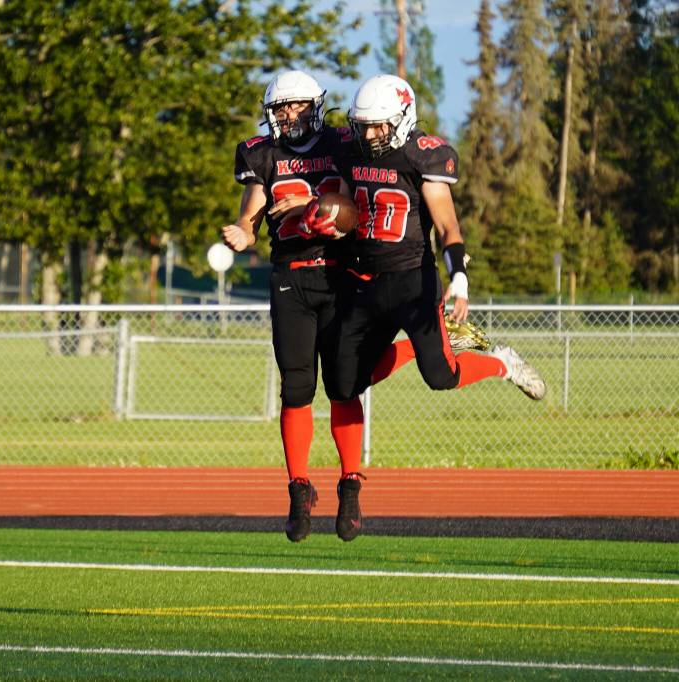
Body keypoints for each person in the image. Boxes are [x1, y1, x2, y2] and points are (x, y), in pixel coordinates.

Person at [221, 71, 484, 544]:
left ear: (316, 107)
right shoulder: (263, 154)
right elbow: (251, 209)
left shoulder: (347, 142)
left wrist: (313, 202)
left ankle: (350, 484)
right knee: (297, 387)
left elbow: (353, 201)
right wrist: (243, 230)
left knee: (345, 384)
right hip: (291, 279)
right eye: (280, 109)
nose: (289, 115)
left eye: (298, 106)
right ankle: (298, 490)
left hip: (341, 275)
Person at [301, 74, 546, 543]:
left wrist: (459, 277)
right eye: (363, 126)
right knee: (344, 383)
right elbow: (341, 197)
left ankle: (502, 363)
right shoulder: (351, 150)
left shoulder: (424, 154)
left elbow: (447, 224)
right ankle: (355, 473)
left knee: (442, 376)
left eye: (377, 127)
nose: (368, 135)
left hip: (413, 283)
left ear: (402, 119)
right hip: (362, 282)